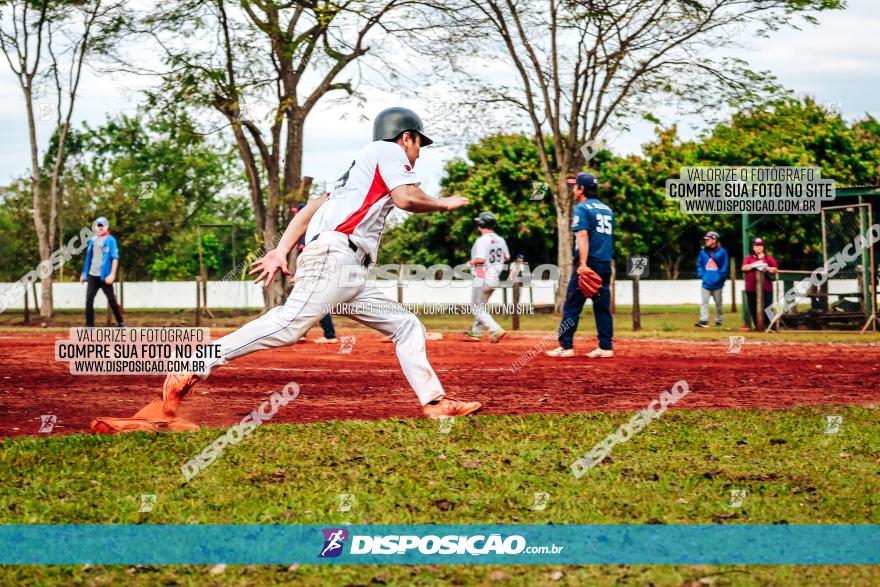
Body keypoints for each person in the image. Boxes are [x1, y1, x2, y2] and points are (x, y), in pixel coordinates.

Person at [159, 107, 481, 421]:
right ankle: (194, 363)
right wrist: (444, 204)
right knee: (288, 326)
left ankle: (435, 402)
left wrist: (280, 250)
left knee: (406, 325)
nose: (419, 152)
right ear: (406, 137)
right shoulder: (388, 151)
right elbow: (406, 198)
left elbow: (308, 210)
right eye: (419, 144)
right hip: (335, 259)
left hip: (348, 269)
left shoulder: (355, 172)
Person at [546, 172, 614, 359]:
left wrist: (583, 264)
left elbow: (582, 235)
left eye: (575, 186)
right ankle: (606, 347)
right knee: (602, 306)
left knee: (572, 305)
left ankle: (566, 346)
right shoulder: (607, 209)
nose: (573, 189)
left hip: (588, 262)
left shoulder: (582, 208)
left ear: (581, 189)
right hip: (605, 262)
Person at [293, 201, 338, 344]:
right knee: (306, 302)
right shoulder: (317, 229)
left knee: (313, 302)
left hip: (314, 272)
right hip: (318, 271)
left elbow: (307, 255)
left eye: (299, 212)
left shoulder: (307, 232)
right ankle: (303, 333)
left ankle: (329, 335)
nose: (297, 215)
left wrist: (300, 274)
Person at [463, 211, 510, 343]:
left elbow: (480, 260)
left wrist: (469, 263)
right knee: (481, 306)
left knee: (476, 307)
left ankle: (496, 329)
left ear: (481, 224)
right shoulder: (500, 239)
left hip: (482, 276)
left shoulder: (482, 240)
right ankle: (475, 332)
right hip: (495, 277)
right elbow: (506, 257)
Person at [81, 216, 124, 328]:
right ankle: (89, 325)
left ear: (106, 226)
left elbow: (115, 258)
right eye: (97, 225)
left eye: (101, 225)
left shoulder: (111, 240)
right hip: (92, 275)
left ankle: (121, 323)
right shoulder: (92, 240)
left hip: (105, 277)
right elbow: (88, 258)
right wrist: (84, 274)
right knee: (89, 299)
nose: (99, 227)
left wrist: (112, 275)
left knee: (112, 301)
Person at [741, 237, 778, 330]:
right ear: (753, 247)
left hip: (766, 287)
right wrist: (755, 265)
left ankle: (769, 326)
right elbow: (743, 268)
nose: (758, 247)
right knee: (753, 308)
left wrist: (767, 268)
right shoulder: (749, 258)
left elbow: (775, 269)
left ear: (763, 247)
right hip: (752, 288)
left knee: (768, 307)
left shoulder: (768, 258)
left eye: (760, 245)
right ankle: (758, 326)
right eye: (756, 245)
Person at [695, 230, 729, 328]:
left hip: (718, 284)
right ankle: (703, 320)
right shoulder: (703, 252)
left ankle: (718, 320)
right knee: (704, 302)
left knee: (718, 303)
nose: (706, 241)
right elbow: (699, 264)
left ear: (714, 240)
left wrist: (720, 277)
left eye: (708, 239)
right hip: (706, 283)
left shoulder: (722, 252)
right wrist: (702, 275)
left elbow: (725, 266)